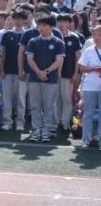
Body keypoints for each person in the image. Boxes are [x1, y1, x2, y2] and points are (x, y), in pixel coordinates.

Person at [24, 14, 65, 142]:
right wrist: (38, 72)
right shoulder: (33, 41)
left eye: (44, 25)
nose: (41, 27)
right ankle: (37, 130)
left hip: (50, 79)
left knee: (48, 106)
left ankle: (47, 130)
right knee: (34, 105)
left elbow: (59, 61)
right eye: (40, 25)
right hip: (34, 78)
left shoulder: (58, 42)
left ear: (51, 27)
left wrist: (46, 72)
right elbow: (29, 59)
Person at [56, 13, 82, 134]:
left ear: (69, 23)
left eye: (65, 21)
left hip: (68, 73)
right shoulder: (54, 36)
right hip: (55, 74)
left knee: (67, 99)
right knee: (56, 99)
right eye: (60, 21)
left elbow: (78, 57)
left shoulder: (74, 38)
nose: (62, 24)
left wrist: (75, 73)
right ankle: (56, 122)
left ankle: (65, 123)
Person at [77, 22, 101, 148]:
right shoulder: (88, 50)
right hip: (90, 86)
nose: (96, 37)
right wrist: (93, 69)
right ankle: (86, 139)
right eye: (95, 34)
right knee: (88, 114)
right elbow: (81, 68)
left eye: (99, 34)